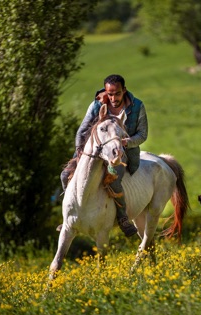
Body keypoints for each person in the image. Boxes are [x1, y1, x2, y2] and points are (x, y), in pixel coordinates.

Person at [60, 74, 148, 237]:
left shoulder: (137, 107)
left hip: (121, 153)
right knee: (65, 175)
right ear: (106, 92)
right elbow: (82, 131)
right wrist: (80, 151)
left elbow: (143, 134)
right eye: (110, 94)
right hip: (93, 153)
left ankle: (123, 219)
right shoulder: (96, 106)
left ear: (124, 91)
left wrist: (125, 142)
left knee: (114, 181)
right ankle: (69, 214)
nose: (113, 98)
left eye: (117, 93)